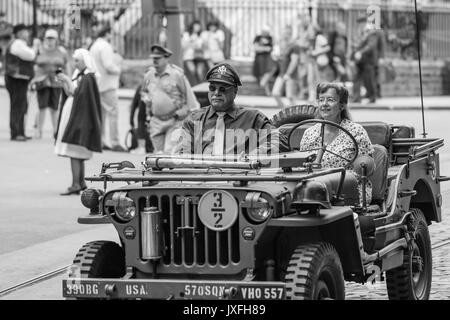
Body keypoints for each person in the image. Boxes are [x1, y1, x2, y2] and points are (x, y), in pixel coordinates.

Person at [177, 62, 289, 155]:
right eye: (212, 88)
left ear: (235, 92)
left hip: (240, 177)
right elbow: (181, 153)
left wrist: (255, 155)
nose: (216, 93)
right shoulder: (194, 119)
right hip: (202, 177)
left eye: (223, 89)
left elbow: (279, 141)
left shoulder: (253, 118)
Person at [299, 82, 374, 204]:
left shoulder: (356, 131)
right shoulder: (309, 133)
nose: (324, 104)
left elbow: (366, 167)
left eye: (330, 100)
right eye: (321, 100)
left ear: (342, 106)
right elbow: (301, 165)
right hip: (313, 190)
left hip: (348, 191)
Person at [54, 48, 102, 196]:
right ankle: (79, 182)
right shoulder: (81, 75)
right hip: (74, 113)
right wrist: (65, 82)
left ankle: (76, 183)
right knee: (76, 152)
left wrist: (68, 80)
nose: (75, 64)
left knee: (75, 150)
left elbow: (78, 93)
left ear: (84, 61)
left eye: (77, 60)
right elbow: (70, 92)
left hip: (79, 117)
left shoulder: (88, 77)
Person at [141, 44, 199, 154]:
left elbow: (190, 99)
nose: (155, 61)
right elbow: (144, 92)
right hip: (156, 122)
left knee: (168, 153)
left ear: (166, 58)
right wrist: (147, 103)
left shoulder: (177, 75)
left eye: (158, 58)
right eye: (153, 58)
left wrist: (189, 113)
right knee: (158, 155)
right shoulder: (149, 75)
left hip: (174, 121)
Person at [89, 24, 126, 152]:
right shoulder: (105, 46)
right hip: (108, 84)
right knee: (113, 113)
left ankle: (101, 140)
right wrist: (118, 70)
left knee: (101, 114)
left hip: (98, 83)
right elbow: (108, 65)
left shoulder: (94, 46)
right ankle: (115, 141)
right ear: (108, 34)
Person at [31, 29, 70, 138]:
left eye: (52, 38)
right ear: (45, 39)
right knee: (42, 107)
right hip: (42, 82)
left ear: (56, 40)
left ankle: (56, 131)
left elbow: (65, 66)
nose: (50, 41)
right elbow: (33, 63)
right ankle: (38, 130)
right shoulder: (39, 49)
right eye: (48, 38)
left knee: (54, 108)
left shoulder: (61, 51)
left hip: (56, 82)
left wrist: (68, 80)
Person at [4, 24, 38, 141]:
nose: (27, 34)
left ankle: (20, 131)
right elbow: (31, 55)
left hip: (19, 78)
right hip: (16, 78)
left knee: (21, 105)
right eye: (25, 31)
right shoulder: (17, 43)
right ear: (19, 33)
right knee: (18, 106)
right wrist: (35, 46)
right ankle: (16, 133)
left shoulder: (18, 43)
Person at [271, 24, 301, 107]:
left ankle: (296, 116)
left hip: (291, 74)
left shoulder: (295, 46)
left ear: (290, 33)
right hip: (282, 73)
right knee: (275, 93)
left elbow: (294, 61)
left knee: (290, 96)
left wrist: (288, 74)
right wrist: (276, 57)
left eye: (286, 33)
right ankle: (284, 111)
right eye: (283, 32)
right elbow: (282, 59)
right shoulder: (283, 45)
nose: (284, 35)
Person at [351, 19, 379, 103]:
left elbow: (370, 46)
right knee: (356, 79)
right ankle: (356, 98)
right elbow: (359, 45)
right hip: (360, 61)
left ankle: (372, 97)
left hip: (368, 61)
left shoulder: (372, 35)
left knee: (369, 80)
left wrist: (360, 52)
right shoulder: (363, 34)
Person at [129, 83, 153, 154]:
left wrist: (131, 119)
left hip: (143, 115)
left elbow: (134, 105)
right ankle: (149, 147)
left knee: (141, 121)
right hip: (153, 114)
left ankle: (142, 147)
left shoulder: (142, 86)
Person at [182, 20, 208, 86]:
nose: (197, 27)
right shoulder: (186, 34)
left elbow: (205, 47)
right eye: (196, 25)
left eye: (199, 26)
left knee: (200, 72)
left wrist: (202, 44)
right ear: (192, 26)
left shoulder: (201, 35)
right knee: (192, 71)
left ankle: (201, 87)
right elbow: (183, 46)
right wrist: (191, 41)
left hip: (199, 56)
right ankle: (195, 87)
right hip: (188, 56)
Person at [252, 25, 275, 96]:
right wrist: (265, 48)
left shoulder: (270, 38)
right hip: (259, 59)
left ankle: (266, 90)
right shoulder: (258, 37)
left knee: (269, 71)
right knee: (260, 73)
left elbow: (271, 48)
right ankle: (266, 91)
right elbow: (256, 48)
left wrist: (261, 48)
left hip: (267, 58)